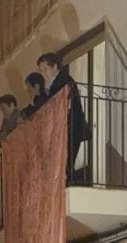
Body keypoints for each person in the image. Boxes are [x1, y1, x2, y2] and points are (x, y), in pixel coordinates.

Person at [37, 52, 90, 182]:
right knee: (62, 161)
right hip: (64, 128)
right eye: (41, 70)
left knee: (66, 160)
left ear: (55, 67)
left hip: (71, 126)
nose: (44, 73)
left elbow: (58, 103)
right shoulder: (52, 84)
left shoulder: (63, 80)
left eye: (46, 69)